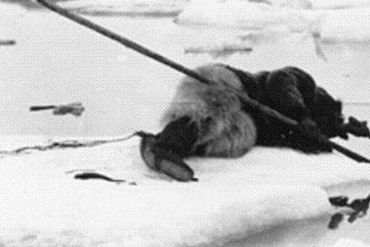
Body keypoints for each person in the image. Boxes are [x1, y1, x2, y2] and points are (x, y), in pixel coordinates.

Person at [139, 64, 346, 181]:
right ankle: (166, 146)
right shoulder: (306, 87)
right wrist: (301, 115)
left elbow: (299, 140)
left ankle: (168, 149)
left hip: (245, 116)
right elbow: (280, 82)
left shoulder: (292, 129)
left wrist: (325, 140)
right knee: (211, 112)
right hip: (232, 85)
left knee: (235, 141)